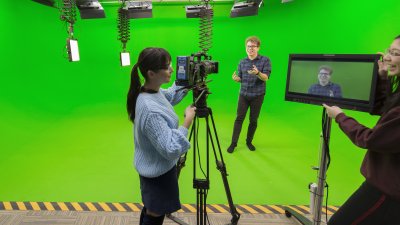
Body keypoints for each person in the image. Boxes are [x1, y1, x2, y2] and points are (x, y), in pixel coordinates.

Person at [323, 35, 400, 225]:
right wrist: (382, 78)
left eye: (395, 53)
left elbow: (372, 140)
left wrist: (340, 117)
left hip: (388, 191)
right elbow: (385, 109)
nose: (387, 57)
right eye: (389, 51)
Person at [126, 47, 196, 225]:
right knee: (155, 213)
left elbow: (170, 96)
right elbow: (171, 149)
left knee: (152, 209)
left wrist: (185, 79)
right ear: (151, 73)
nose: (171, 70)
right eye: (167, 67)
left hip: (154, 167)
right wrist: (187, 121)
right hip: (157, 173)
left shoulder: (149, 91)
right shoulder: (150, 109)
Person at [227, 36, 272, 153]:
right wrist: (237, 79)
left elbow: (266, 78)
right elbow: (241, 78)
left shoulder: (265, 60)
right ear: (245, 47)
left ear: (258, 48)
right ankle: (233, 143)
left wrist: (258, 73)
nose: (250, 49)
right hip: (244, 94)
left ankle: (249, 141)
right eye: (248, 46)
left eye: (253, 46)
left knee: (253, 120)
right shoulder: (242, 62)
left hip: (258, 95)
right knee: (239, 118)